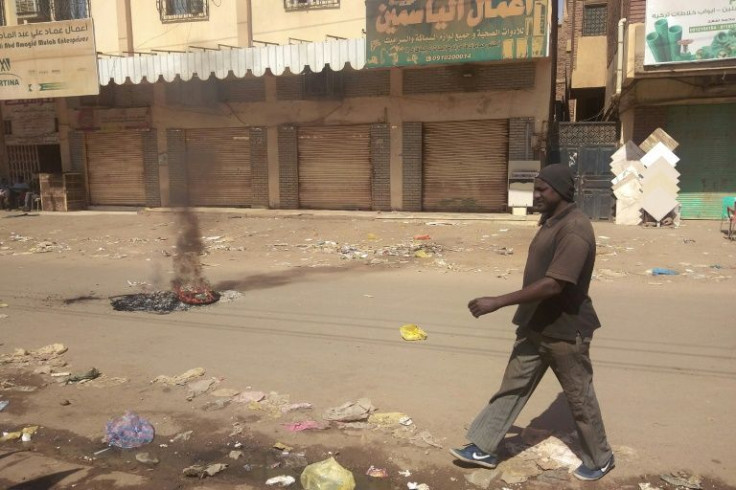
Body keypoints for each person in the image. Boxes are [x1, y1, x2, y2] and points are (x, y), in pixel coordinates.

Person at [449, 164, 614, 481]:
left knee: (579, 399)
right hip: (536, 324)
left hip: (564, 330)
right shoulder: (552, 220)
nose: (535, 195)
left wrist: (497, 301)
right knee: (511, 387)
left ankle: (600, 458)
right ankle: (484, 446)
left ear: (562, 192)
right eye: (535, 189)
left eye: (542, 190)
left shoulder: (575, 229)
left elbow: (554, 285)